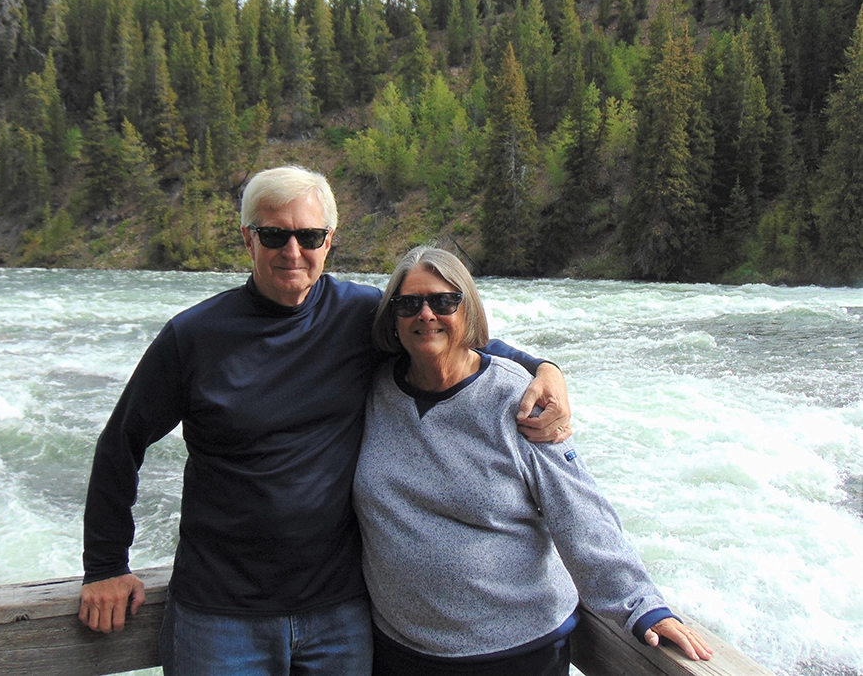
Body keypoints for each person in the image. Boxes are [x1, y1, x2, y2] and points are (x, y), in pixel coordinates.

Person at [78, 166, 573, 675]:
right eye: (274, 235)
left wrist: (543, 368)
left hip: (339, 612)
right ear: (248, 238)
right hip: (220, 614)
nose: (293, 252)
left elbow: (447, 331)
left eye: (309, 235)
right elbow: (122, 442)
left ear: (329, 241)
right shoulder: (194, 336)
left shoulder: (360, 316)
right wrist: (107, 565)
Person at [352, 246, 714, 676]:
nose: (426, 314)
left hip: (516, 651)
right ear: (393, 318)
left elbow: (579, 509)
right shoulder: (375, 388)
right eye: (409, 303)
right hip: (403, 648)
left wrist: (641, 605)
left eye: (444, 301)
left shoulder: (518, 398)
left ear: (468, 309)